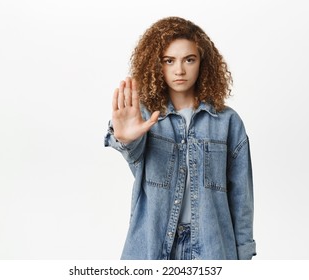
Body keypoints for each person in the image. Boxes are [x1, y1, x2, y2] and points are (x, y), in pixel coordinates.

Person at [104, 16, 256, 260]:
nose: (180, 70)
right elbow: (134, 154)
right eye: (169, 60)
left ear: (202, 63)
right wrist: (125, 139)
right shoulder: (144, 117)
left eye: (189, 59)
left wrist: (244, 254)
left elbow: (241, 198)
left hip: (213, 248)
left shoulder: (228, 122)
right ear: (156, 65)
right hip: (152, 246)